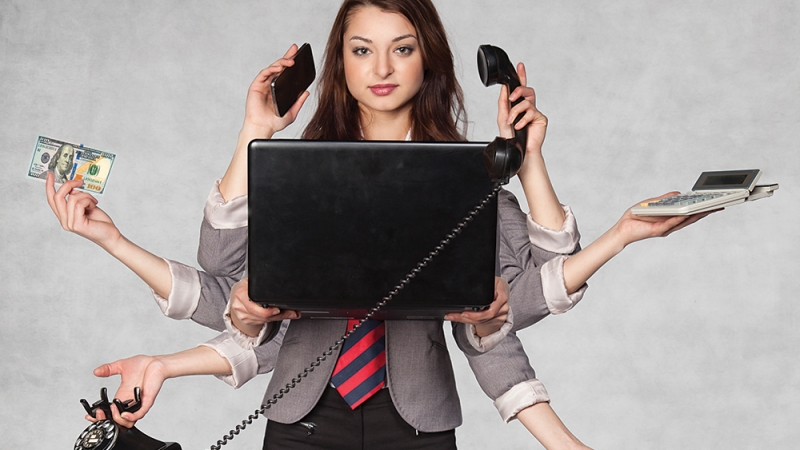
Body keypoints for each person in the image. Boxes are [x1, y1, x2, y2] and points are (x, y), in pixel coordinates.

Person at [46, 0, 711, 448]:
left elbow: (519, 302)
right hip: (301, 426)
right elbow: (228, 284)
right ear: (342, 62)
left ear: (428, 59)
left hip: (418, 428)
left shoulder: (463, 174)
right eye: (362, 50)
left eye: (402, 48)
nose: (383, 69)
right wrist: (251, 136)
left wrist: (539, 169)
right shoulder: (301, 173)